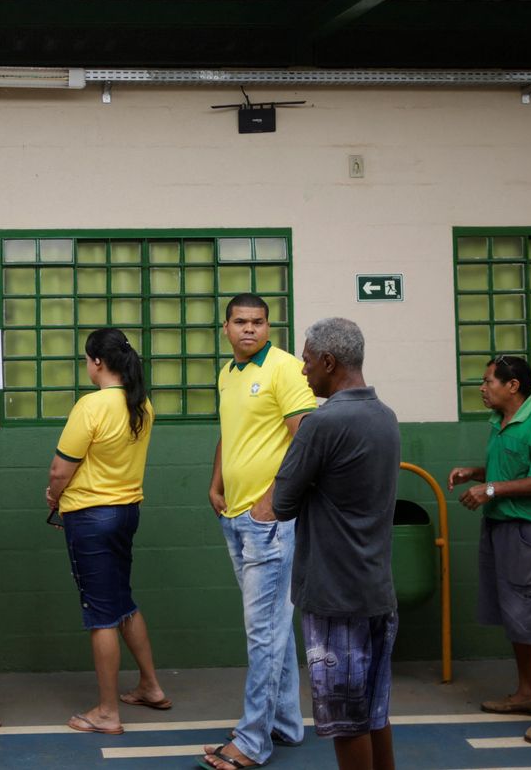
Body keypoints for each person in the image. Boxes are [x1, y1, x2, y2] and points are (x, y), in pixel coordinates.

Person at [271, 318, 400, 770]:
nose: (303, 370)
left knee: (346, 721)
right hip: (376, 590)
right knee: (374, 712)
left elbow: (282, 502)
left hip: (333, 594)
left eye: (307, 360)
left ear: (328, 361)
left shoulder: (322, 424)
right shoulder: (385, 416)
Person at [202, 295, 318, 770]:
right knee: (273, 627)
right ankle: (285, 722)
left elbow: (306, 439)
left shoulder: (285, 369)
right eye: (240, 322)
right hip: (237, 517)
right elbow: (231, 433)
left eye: (258, 322)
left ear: (269, 327)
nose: (249, 329)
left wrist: (273, 501)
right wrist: (216, 483)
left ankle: (252, 741)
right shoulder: (228, 374)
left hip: (270, 523)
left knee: (263, 633)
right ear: (226, 328)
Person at [43, 328, 170, 735]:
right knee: (121, 601)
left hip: (91, 517)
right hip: (126, 513)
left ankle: (107, 713)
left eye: (87, 359)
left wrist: (53, 495)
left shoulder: (91, 405)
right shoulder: (141, 404)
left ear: (97, 362)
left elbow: (60, 469)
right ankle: (150, 686)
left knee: (101, 615)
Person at [448, 356, 531, 745]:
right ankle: (528, 693)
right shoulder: (499, 423)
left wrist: (491, 489)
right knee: (518, 616)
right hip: (500, 529)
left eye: (488, 382)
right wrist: (476, 473)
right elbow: (513, 471)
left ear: (512, 386)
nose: (482, 388)